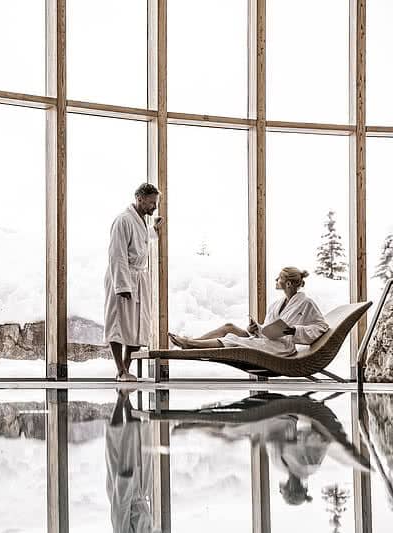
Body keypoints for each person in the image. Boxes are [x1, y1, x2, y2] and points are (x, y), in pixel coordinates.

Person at [168, 267, 329, 356]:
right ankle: (193, 343)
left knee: (232, 340)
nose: (276, 281)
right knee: (229, 327)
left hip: (281, 348)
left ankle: (190, 344)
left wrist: (296, 330)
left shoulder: (306, 303)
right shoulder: (276, 304)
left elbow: (322, 327)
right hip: (267, 340)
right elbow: (269, 329)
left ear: (288, 283)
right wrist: (256, 329)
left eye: (279, 278)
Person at [105, 183, 163, 381]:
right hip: (123, 277)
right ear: (139, 198)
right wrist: (122, 286)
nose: (154, 207)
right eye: (151, 203)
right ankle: (121, 370)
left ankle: (126, 369)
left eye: (155, 203)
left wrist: (154, 229)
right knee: (119, 324)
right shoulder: (123, 221)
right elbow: (117, 255)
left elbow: (141, 242)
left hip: (138, 278)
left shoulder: (140, 222)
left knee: (138, 326)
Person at [106, 389, 153, 532]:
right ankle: (126, 397)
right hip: (140, 490)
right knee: (137, 435)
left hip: (123, 485)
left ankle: (121, 398)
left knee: (116, 440)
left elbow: (120, 511)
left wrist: (124, 481)